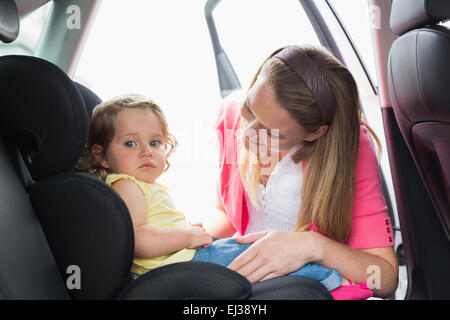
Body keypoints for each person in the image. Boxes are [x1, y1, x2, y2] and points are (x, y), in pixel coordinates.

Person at [75, 93, 343, 292]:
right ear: (102, 157)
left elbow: (153, 227)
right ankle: (332, 281)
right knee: (257, 253)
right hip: (178, 264)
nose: (146, 151)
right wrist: (186, 236)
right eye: (130, 143)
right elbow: (139, 239)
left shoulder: (141, 186)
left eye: (155, 142)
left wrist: (185, 231)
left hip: (182, 257)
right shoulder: (127, 185)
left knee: (246, 247)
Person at [210, 45, 399, 299]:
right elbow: (225, 214)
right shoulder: (230, 114)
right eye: (250, 109)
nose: (246, 137)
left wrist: (312, 246)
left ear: (314, 133)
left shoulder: (350, 149)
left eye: (272, 133)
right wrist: (192, 237)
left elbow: (385, 279)